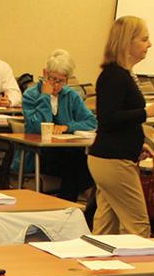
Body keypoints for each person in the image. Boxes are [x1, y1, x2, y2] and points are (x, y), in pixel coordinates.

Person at [87, 17, 154, 276]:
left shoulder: (122, 75)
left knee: (105, 228)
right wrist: (148, 111)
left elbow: (121, 120)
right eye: (144, 39)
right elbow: (108, 118)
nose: (149, 44)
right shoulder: (113, 76)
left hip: (111, 158)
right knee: (138, 225)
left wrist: (139, 143)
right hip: (113, 162)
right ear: (128, 42)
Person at [20, 49, 97, 202]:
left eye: (60, 81)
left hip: (66, 153)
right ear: (45, 73)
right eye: (52, 79)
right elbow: (37, 127)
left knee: (77, 159)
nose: (55, 85)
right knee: (76, 161)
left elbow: (92, 122)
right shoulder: (31, 95)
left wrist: (68, 127)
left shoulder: (71, 96)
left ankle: (69, 204)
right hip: (39, 155)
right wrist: (45, 96)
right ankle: (87, 201)